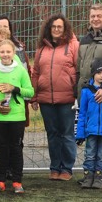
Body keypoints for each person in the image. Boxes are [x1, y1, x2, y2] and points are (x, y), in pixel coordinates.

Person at [30, 14, 79, 181]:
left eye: (60, 26)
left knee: (66, 134)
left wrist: (76, 93)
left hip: (67, 99)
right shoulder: (41, 48)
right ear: (48, 29)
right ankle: (54, 167)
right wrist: (34, 96)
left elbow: (78, 70)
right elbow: (36, 72)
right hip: (45, 100)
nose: (57, 29)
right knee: (52, 134)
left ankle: (67, 168)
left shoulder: (73, 45)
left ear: (65, 28)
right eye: (54, 27)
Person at [76, 3, 102, 187]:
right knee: (92, 136)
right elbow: (80, 67)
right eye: (92, 16)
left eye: (99, 16)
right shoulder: (85, 39)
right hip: (87, 92)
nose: (95, 19)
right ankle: (90, 174)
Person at [0, 40, 34, 194]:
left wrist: (15, 88)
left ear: (13, 53)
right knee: (0, 148)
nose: (5, 55)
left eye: (8, 52)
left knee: (16, 149)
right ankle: (0, 181)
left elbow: (30, 92)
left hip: (16, 117)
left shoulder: (20, 70)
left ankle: (17, 181)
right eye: (2, 52)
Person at [76, 60, 102, 189]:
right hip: (91, 130)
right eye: (98, 72)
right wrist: (80, 132)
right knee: (90, 154)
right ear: (93, 73)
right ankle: (88, 176)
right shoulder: (86, 91)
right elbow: (82, 113)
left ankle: (100, 177)